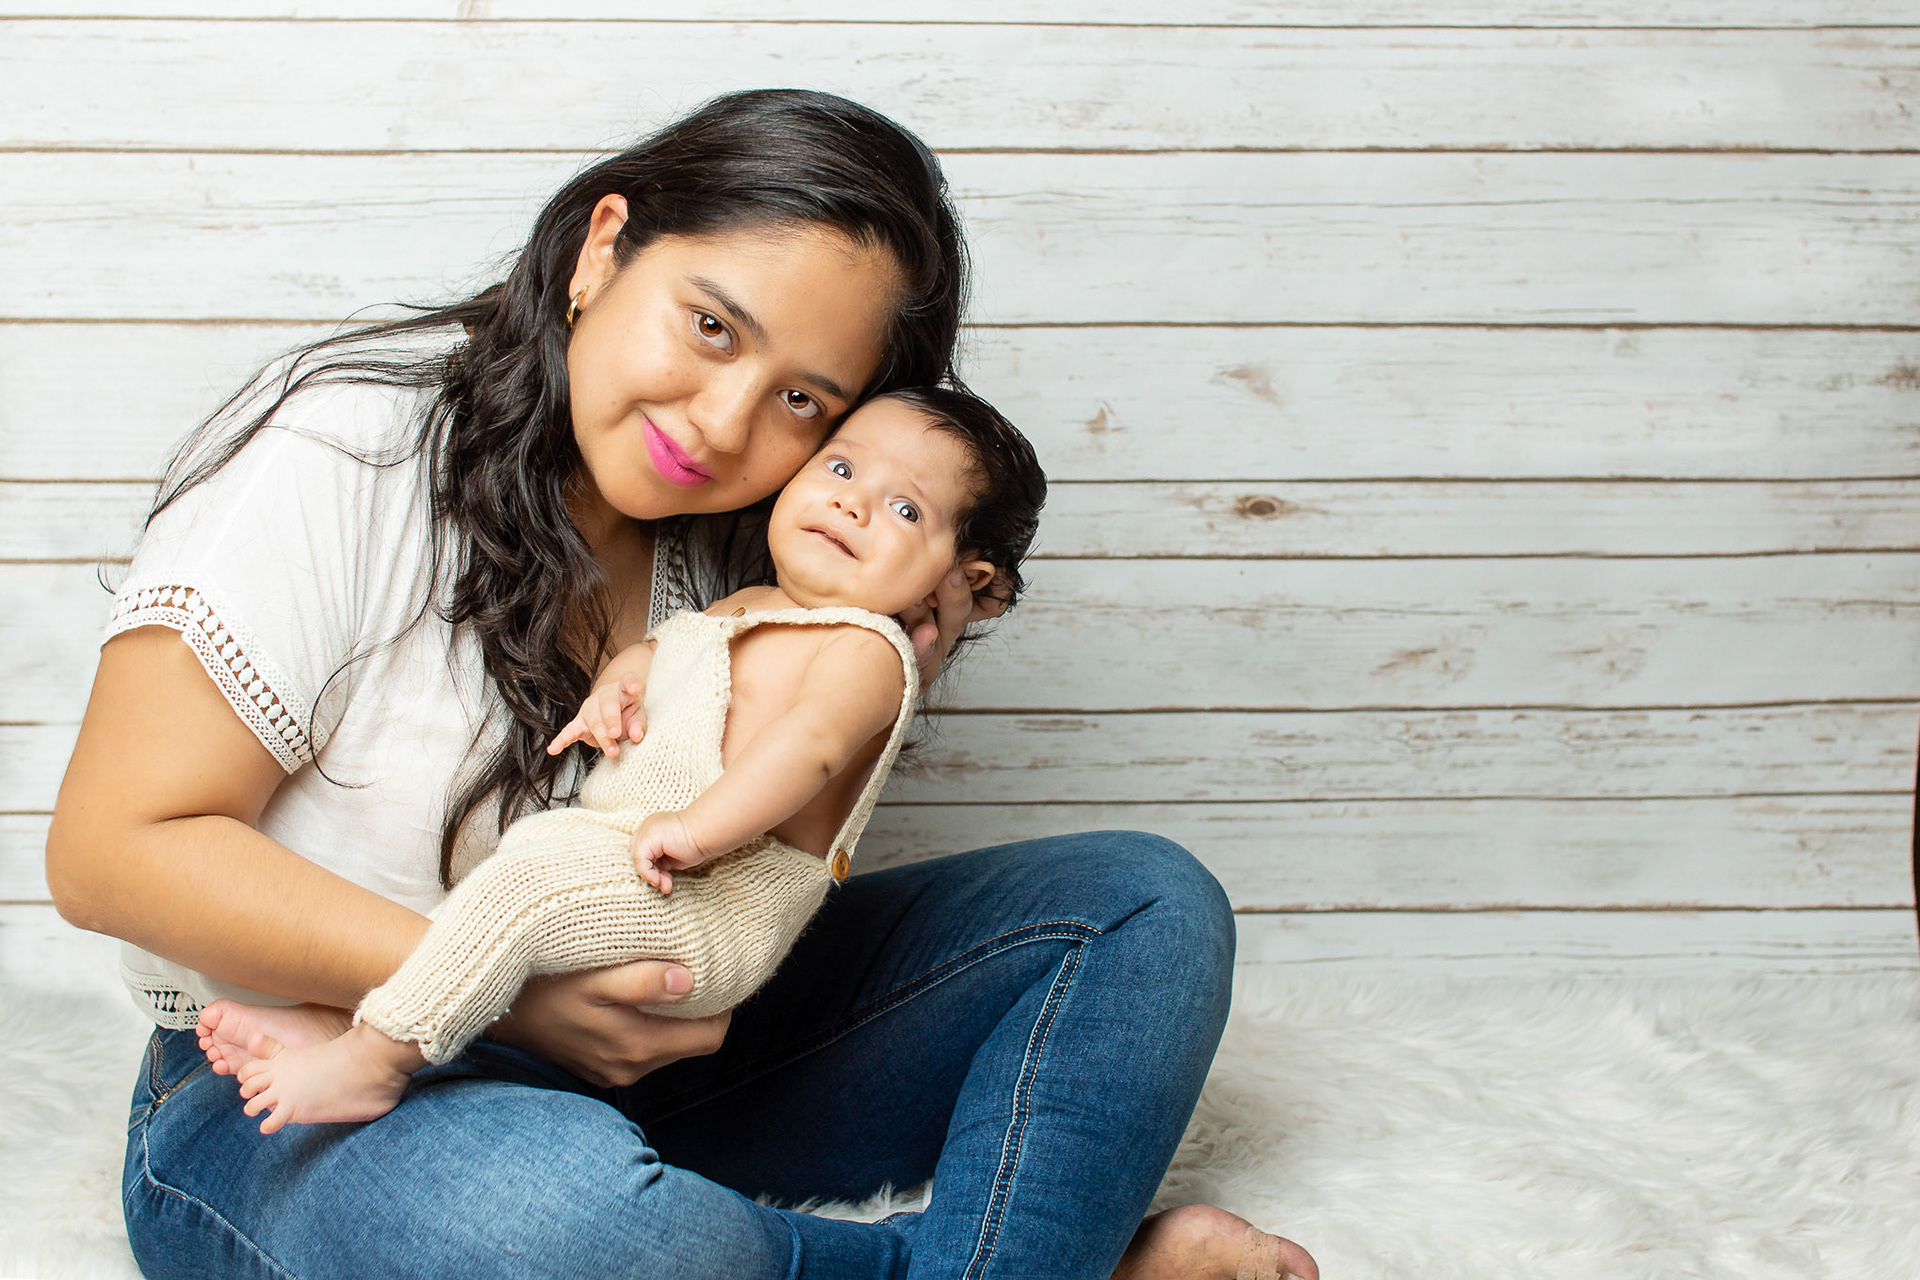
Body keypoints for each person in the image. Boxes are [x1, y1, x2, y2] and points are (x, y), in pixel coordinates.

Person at [46, 89, 1318, 1280]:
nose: (720, 421)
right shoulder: (347, 441)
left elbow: (772, 826)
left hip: (660, 1037)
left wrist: (900, 621)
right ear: (604, 249)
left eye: (802, 399)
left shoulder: (762, 535)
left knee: (1141, 906)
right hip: (295, 1069)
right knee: (577, 1225)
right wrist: (520, 996)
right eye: (711, 326)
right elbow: (112, 852)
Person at [201, 387, 1045, 1133]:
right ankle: (351, 1026)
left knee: (524, 892)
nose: (855, 505)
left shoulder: (864, 649)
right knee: (506, 886)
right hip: (635, 856)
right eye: (840, 469)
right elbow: (666, 652)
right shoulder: (750, 605)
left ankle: (372, 1066)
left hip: (712, 903)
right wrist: (619, 686)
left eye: (906, 511)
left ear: (958, 580)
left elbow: (810, 750)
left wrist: (699, 828)